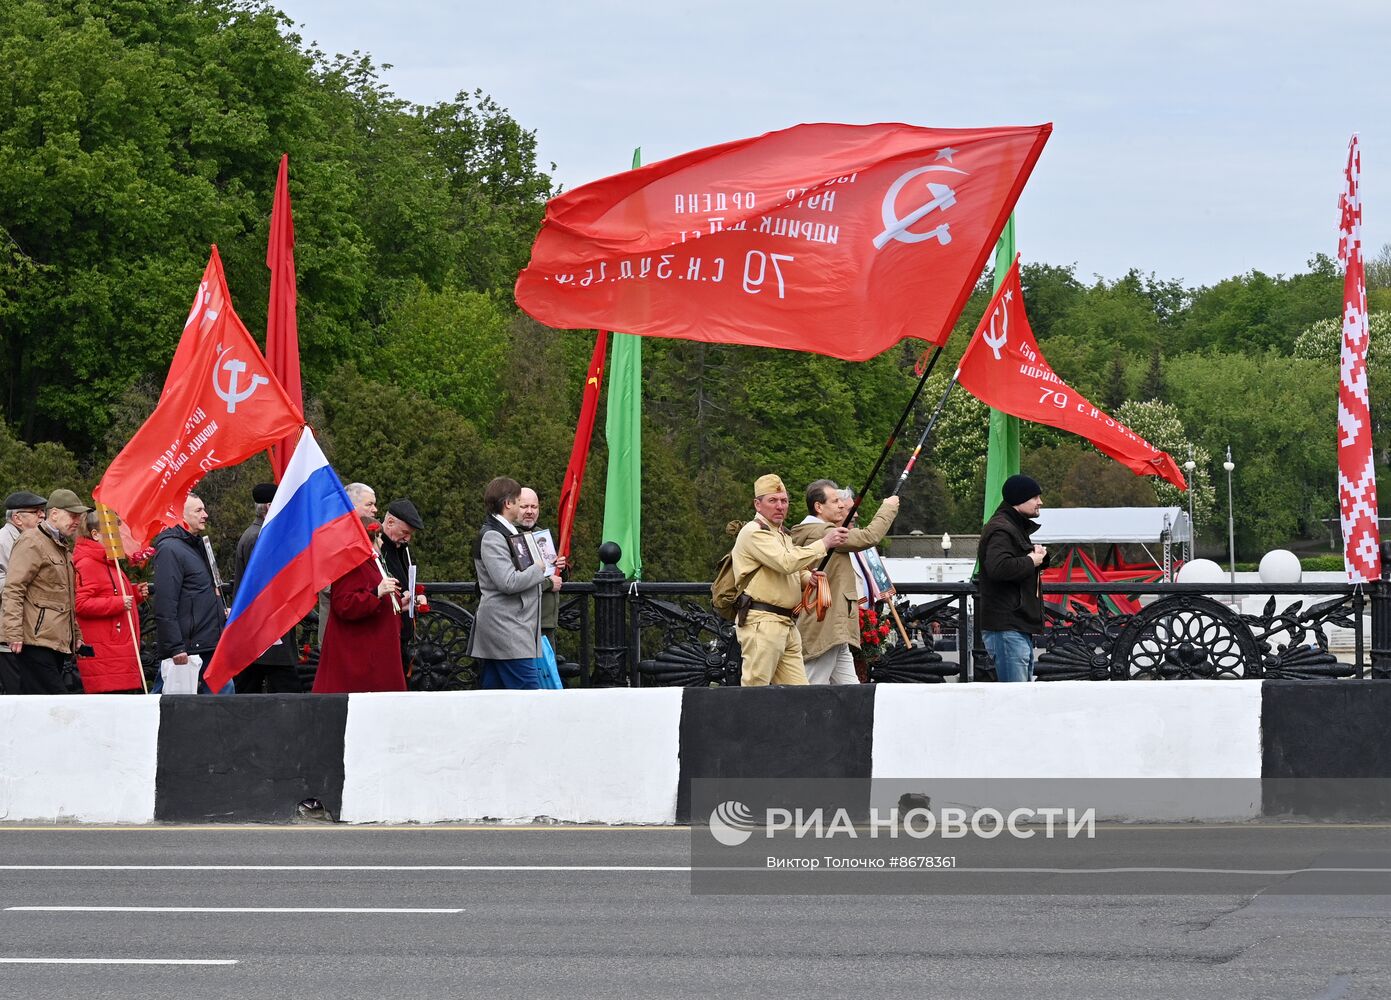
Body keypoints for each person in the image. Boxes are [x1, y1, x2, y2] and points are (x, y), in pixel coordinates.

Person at [730, 474, 849, 687]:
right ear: (757, 504)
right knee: (755, 689)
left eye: (783, 501)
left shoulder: (782, 534)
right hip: (762, 622)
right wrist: (825, 543)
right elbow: (786, 562)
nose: (780, 506)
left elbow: (790, 570)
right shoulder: (754, 532)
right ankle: (749, 722)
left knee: (799, 693)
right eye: (772, 501)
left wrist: (808, 578)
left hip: (786, 624)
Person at [789, 481, 901, 684]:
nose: (842, 505)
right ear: (818, 507)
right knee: (810, 691)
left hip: (833, 626)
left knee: (851, 692)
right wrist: (889, 506)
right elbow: (869, 536)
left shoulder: (817, 531)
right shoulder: (822, 532)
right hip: (825, 625)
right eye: (835, 501)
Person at [465, 477, 562, 689]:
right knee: (529, 694)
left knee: (495, 698)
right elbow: (507, 582)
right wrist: (538, 569)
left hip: (510, 629)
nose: (522, 507)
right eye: (519, 501)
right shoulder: (493, 536)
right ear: (508, 503)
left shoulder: (507, 531)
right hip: (507, 630)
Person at [0, 489, 88, 694]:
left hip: (53, 641)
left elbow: (64, 597)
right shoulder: (32, 541)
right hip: (34, 641)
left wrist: (76, 635)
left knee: (39, 708)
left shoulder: (60, 545)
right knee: (56, 702)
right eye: (72, 515)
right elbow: (14, 589)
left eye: (79, 516)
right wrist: (13, 633)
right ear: (54, 513)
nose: (77, 521)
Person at [313, 515, 406, 693]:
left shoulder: (372, 561)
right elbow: (343, 604)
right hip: (361, 655)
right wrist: (377, 593)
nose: (382, 541)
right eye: (378, 536)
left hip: (376, 651)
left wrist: (400, 603)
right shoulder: (351, 563)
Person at [978, 474, 1052, 683]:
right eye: (1035, 497)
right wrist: (1031, 560)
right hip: (1007, 627)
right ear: (1020, 499)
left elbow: (1010, 562)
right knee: (1014, 699)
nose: (1040, 502)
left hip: (1013, 627)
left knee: (1018, 697)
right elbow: (998, 567)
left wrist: (1039, 557)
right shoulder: (1002, 529)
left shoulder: (1011, 526)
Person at [151, 493, 228, 692]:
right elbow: (165, 603)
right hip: (189, 647)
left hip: (208, 642)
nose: (205, 515)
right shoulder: (170, 549)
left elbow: (203, 591)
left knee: (223, 698)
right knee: (166, 701)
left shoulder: (197, 546)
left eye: (204, 509)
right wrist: (175, 646)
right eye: (198, 510)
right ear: (181, 515)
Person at [232, 484, 301, 693]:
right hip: (267, 633)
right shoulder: (259, 537)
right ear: (270, 506)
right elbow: (264, 585)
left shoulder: (260, 534)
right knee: (288, 695)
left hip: (265, 632)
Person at [73, 509, 148, 693]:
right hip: (106, 654)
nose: (117, 536)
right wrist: (119, 603)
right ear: (95, 534)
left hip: (116, 652)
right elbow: (80, 604)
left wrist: (134, 592)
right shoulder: (87, 563)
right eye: (111, 531)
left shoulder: (107, 561)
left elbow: (108, 591)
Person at [317, 482, 377, 645]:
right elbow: (328, 585)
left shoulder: (367, 535)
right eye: (369, 504)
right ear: (350, 505)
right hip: (337, 626)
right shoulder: (333, 534)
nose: (375, 509)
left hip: (361, 623)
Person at [1, 491, 48, 680]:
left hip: (22, 634)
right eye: (36, 512)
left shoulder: (29, 539)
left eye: (42, 512)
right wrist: (28, 581)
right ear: (17, 518)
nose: (42, 516)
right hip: (8, 638)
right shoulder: (3, 540)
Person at [517, 487, 568, 648]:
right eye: (524, 507)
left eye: (534, 507)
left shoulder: (541, 534)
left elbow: (556, 575)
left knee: (545, 672)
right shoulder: (510, 537)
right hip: (524, 621)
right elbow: (516, 580)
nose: (530, 511)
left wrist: (561, 567)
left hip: (546, 621)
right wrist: (549, 584)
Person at [379, 498, 424, 679]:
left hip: (403, 632)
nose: (407, 538)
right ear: (390, 522)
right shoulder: (377, 547)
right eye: (405, 532)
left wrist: (418, 596)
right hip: (386, 631)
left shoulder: (402, 547)